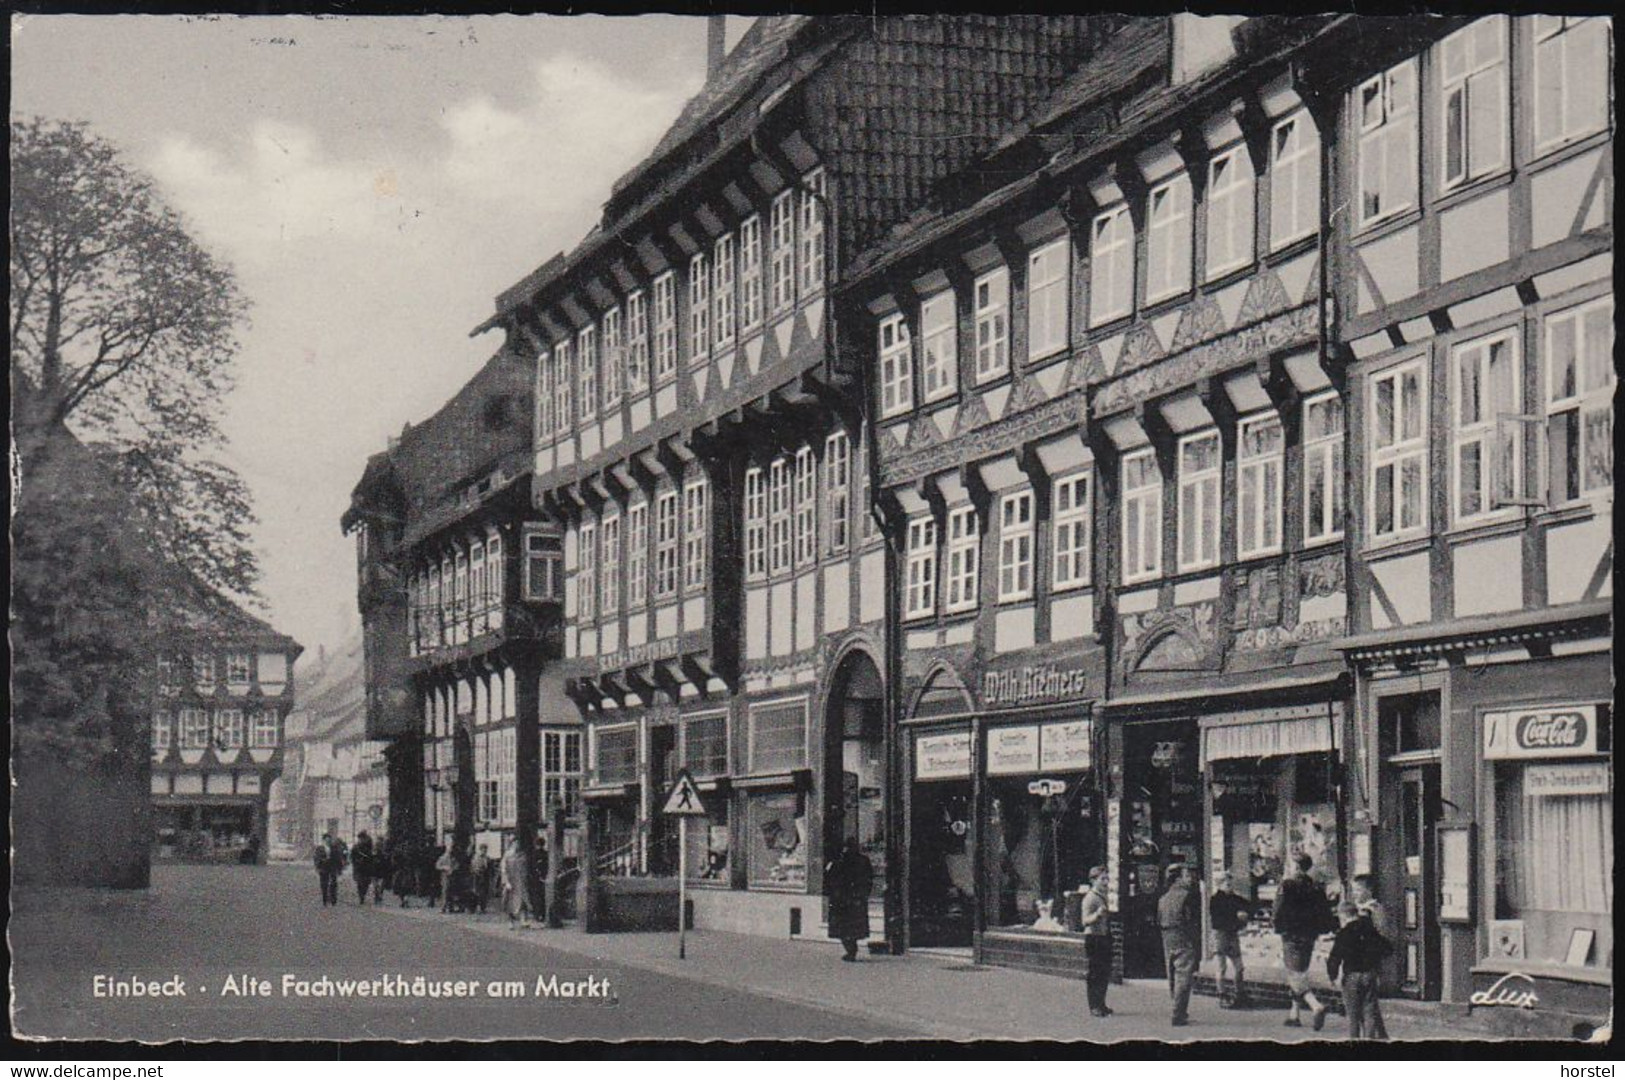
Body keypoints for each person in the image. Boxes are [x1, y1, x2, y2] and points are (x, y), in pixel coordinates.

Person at [1274, 852, 1334, 1031]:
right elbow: (1324, 911)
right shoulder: (1315, 887)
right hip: (1309, 935)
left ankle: (1315, 1005)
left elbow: (1278, 909)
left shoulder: (1287, 885)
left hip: (1291, 934)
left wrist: (1278, 927)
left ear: (1296, 866)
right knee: (1300, 972)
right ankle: (1295, 1014)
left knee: (1295, 974)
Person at [1327, 899, 1392, 1040]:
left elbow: (1335, 957)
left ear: (1343, 916)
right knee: (1369, 1011)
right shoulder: (1369, 929)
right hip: (1369, 974)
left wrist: (1332, 976)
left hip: (1351, 976)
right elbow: (1387, 948)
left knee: (1353, 1015)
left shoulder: (1343, 933)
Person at [1156, 864, 1202, 1027]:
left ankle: (1178, 1008)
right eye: (1186, 876)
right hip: (1183, 935)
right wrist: (1194, 940)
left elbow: (1159, 919)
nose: (1190, 879)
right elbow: (1190, 920)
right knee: (1183, 975)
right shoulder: (1187, 896)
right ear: (1178, 879)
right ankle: (1178, 1013)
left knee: (1172, 973)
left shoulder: (1163, 898)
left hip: (1167, 936)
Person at [823, 838, 875, 962]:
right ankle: (852, 949)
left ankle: (851, 950)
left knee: (843, 927)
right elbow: (869, 879)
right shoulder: (863, 860)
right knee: (854, 926)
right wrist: (864, 894)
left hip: (841, 900)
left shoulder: (839, 861)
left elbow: (829, 878)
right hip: (856, 899)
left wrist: (831, 893)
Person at [1208, 871, 1252, 1008]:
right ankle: (1222, 994)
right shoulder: (1215, 900)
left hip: (1232, 934)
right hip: (1221, 935)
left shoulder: (1234, 898)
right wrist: (1237, 917)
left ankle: (1240, 993)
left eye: (1231, 883)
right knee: (1221, 967)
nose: (1230, 886)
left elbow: (1250, 905)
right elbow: (1218, 920)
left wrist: (1245, 914)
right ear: (1220, 885)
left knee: (1239, 967)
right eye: (1227, 883)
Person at [1078, 865, 1113, 1018]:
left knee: (1104, 972)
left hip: (1104, 937)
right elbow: (1084, 921)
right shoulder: (1090, 898)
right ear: (1093, 880)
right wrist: (1097, 915)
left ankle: (1101, 1003)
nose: (1106, 882)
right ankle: (1094, 1005)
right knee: (1095, 973)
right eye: (1102, 879)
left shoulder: (1104, 896)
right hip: (1094, 938)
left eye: (1107, 879)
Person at [502, 836, 532, 928]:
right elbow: (503, 869)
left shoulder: (522, 855)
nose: (517, 845)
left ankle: (523, 920)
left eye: (518, 843)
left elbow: (526, 868)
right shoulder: (507, 855)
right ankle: (511, 922)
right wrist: (506, 882)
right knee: (511, 903)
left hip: (521, 882)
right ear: (512, 844)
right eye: (515, 843)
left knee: (523, 901)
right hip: (512, 882)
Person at [352, 830, 375, 905]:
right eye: (360, 838)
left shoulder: (368, 847)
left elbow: (371, 857)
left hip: (366, 868)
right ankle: (361, 896)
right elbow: (352, 857)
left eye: (362, 838)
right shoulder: (356, 847)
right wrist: (356, 862)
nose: (361, 840)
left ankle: (362, 895)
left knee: (366, 883)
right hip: (359, 868)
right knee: (360, 882)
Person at [313, 833, 335, 906]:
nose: (328, 841)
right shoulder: (319, 848)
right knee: (324, 884)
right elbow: (316, 857)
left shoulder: (333, 848)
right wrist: (319, 864)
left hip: (331, 868)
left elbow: (337, 857)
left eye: (329, 839)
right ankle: (324, 898)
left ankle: (332, 898)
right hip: (323, 868)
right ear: (324, 840)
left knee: (332, 883)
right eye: (326, 839)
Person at [471, 843, 492, 915]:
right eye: (483, 849)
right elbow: (473, 867)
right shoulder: (476, 857)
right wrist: (477, 871)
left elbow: (489, 868)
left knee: (484, 893)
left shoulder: (487, 858)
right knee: (477, 892)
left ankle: (483, 908)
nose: (484, 851)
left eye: (485, 849)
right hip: (477, 876)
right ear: (480, 850)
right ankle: (475, 908)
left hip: (485, 877)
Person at [435, 844, 454, 913]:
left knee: (451, 892)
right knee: (445, 891)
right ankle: (443, 907)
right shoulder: (443, 857)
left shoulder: (452, 858)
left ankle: (450, 907)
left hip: (452, 876)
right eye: (449, 849)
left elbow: (456, 864)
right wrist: (444, 867)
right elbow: (437, 866)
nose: (450, 851)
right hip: (445, 876)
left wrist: (454, 868)